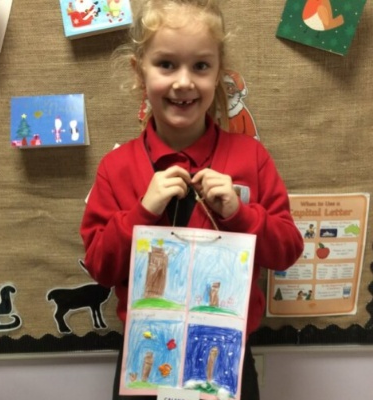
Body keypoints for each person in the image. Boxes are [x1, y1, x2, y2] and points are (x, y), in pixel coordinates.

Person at [80, 1, 304, 399]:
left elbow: (286, 251)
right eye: (166, 64)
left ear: (219, 73)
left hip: (226, 358)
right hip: (145, 354)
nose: (184, 82)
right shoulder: (116, 167)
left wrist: (241, 215)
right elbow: (100, 267)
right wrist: (141, 214)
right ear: (139, 71)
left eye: (201, 66)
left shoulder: (250, 157)